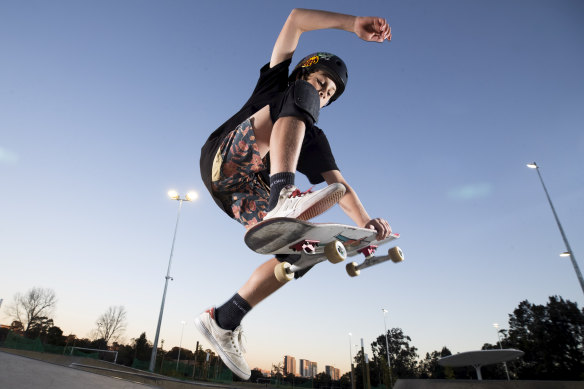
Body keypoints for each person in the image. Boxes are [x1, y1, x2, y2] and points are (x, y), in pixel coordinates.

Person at [196, 8, 393, 380]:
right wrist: (352, 25)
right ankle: (283, 193)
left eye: (330, 93)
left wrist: (366, 225)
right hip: (223, 160)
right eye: (321, 82)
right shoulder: (278, 84)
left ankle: (224, 320)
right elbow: (296, 19)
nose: (324, 92)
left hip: (241, 195)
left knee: (302, 254)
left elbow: (340, 186)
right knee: (298, 98)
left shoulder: (314, 138)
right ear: (305, 71)